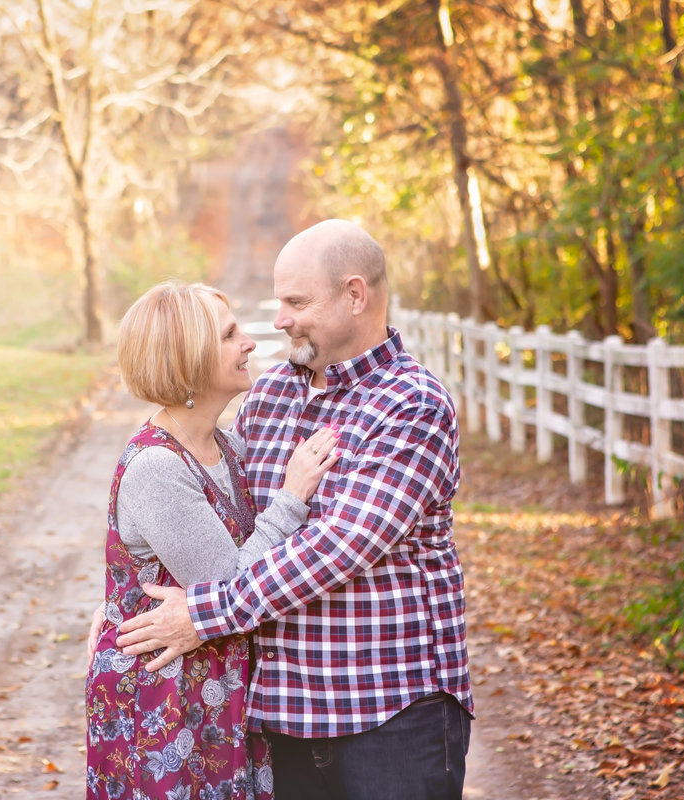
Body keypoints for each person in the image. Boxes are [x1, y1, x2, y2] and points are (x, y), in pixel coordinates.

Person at [113, 220, 474, 800]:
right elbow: (221, 520)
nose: (279, 320)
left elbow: (337, 548)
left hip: (389, 713)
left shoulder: (411, 404)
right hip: (280, 716)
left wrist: (202, 615)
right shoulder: (273, 393)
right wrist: (126, 598)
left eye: (297, 302)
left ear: (355, 296)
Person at [86, 281, 341, 800]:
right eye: (229, 335)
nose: (249, 342)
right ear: (187, 361)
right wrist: (291, 498)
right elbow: (229, 585)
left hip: (214, 693)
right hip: (165, 702)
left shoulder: (224, 446)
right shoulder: (158, 466)